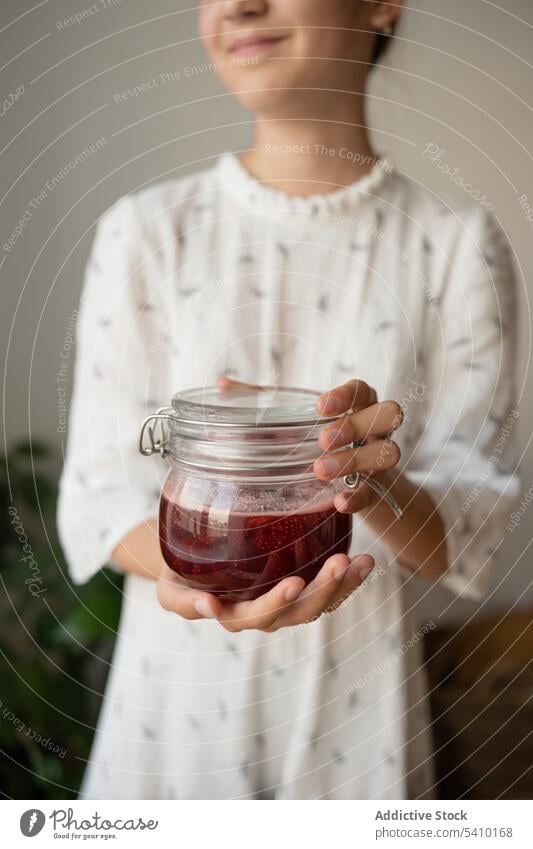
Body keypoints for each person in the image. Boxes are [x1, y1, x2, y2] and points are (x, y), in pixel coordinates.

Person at [58, 0, 519, 800]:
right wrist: (194, 580)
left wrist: (368, 475)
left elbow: (466, 528)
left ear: (381, 4)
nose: (237, 5)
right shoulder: (144, 231)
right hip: (170, 712)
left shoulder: (454, 247)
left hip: (355, 718)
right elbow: (100, 493)